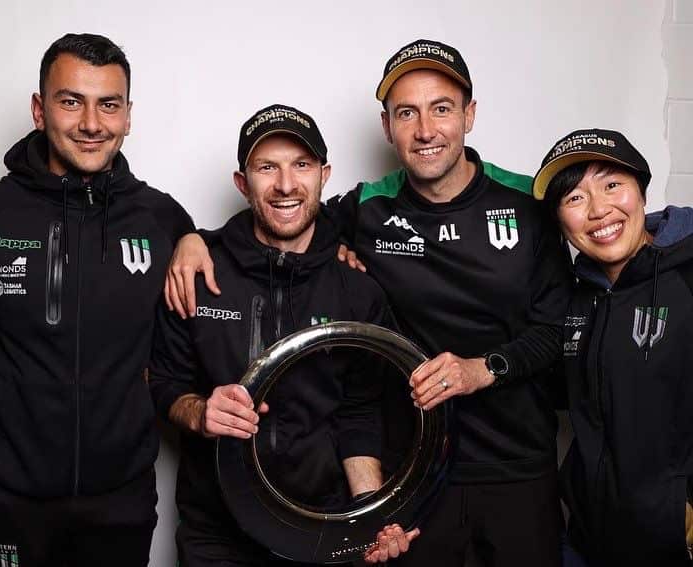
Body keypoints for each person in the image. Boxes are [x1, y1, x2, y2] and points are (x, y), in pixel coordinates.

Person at [166, 39, 572, 567]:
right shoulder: (365, 208)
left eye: (442, 108)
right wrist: (192, 238)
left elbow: (557, 328)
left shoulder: (531, 205)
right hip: (419, 472)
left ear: (469, 115)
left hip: (518, 468)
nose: (425, 130)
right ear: (387, 127)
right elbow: (288, 219)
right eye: (407, 113)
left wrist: (483, 369)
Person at [0, 33, 195, 566]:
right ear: (39, 111)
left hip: (120, 497)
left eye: (108, 105)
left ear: (128, 116)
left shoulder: (160, 217)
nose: (91, 123)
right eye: (71, 101)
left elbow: (231, 245)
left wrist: (341, 249)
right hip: (7, 493)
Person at [149, 104, 418, 566]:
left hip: (321, 526)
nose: (287, 185)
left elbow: (360, 413)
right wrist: (200, 413)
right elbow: (164, 383)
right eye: (266, 167)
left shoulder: (356, 288)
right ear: (242, 182)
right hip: (217, 532)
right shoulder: (197, 272)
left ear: (324, 175)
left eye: (301, 165)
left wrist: (369, 515)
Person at [534, 128, 693, 567]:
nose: (599, 210)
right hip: (586, 542)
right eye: (575, 198)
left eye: (611, 185)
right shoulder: (575, 296)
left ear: (641, 191)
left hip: (672, 546)